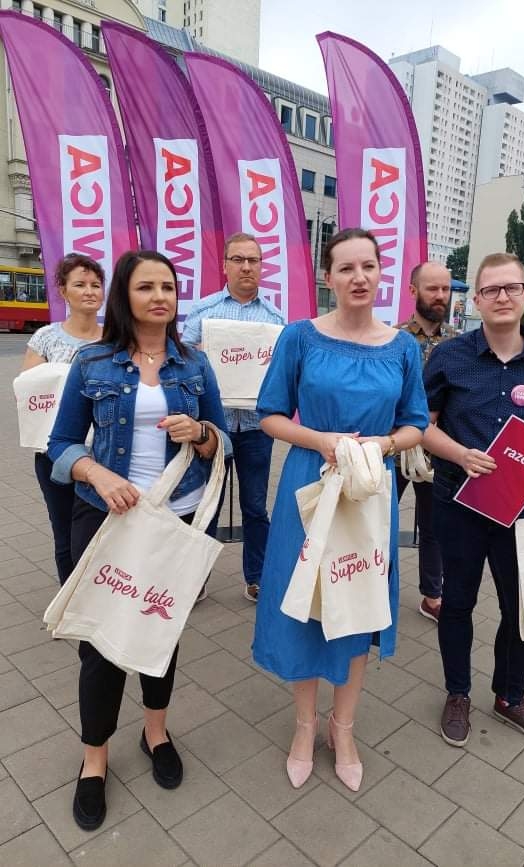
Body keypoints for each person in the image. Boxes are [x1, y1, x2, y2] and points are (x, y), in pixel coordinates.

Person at [48, 250, 228, 831]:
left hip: (176, 519)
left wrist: (201, 432)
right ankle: (94, 758)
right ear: (124, 295)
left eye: (168, 287)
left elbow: (222, 439)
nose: (160, 296)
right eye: (146, 286)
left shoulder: (195, 363)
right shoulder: (92, 362)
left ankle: (155, 733)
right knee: (101, 645)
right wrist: (98, 474)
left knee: (160, 631)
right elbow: (60, 443)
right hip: (106, 518)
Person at [253, 228, 428, 792]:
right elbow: (269, 415)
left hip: (369, 492)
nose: (359, 277)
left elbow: (416, 423)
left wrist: (384, 444)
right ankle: (305, 726)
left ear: (382, 273)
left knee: (359, 601)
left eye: (368, 266)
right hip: (309, 484)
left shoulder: (402, 347)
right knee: (307, 606)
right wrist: (323, 440)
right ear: (328, 277)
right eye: (346, 268)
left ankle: (343, 727)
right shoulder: (300, 337)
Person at [423, 252, 524, 750]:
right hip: (457, 502)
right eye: (491, 290)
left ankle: (510, 696)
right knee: (457, 603)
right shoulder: (449, 356)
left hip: (518, 507)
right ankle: (457, 693)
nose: (502, 297)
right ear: (477, 301)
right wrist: (460, 454)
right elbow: (421, 426)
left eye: (511, 288)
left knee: (521, 606)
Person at [182, 232, 284, 602]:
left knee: (255, 507)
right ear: (224, 265)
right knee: (206, 504)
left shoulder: (275, 320)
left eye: (253, 260)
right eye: (238, 259)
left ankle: (257, 577)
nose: (246, 267)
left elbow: (282, 375)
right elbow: (181, 363)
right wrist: (198, 353)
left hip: (257, 428)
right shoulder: (203, 312)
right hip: (213, 427)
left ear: (262, 267)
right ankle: (194, 579)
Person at [21, 254, 105, 585]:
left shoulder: (115, 339)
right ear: (63, 290)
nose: (89, 291)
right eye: (80, 284)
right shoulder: (45, 338)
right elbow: (29, 395)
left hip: (104, 454)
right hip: (55, 453)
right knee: (65, 532)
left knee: (103, 532)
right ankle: (68, 602)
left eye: (96, 285)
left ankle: (100, 598)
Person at [395, 261, 456, 622]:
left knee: (435, 528)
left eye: (445, 289)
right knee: (379, 519)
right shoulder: (393, 338)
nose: (440, 296)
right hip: (395, 445)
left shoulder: (459, 344)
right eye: (432, 288)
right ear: (413, 291)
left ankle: (432, 596)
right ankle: (374, 584)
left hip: (438, 450)